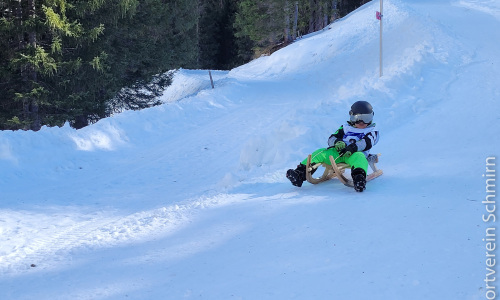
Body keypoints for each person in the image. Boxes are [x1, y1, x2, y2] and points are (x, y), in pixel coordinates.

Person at [286, 101, 379, 192]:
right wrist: (337, 142)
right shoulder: (345, 128)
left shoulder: (372, 131)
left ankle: (359, 179)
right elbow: (331, 138)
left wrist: (353, 148)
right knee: (321, 152)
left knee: (360, 158)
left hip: (355, 154)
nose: (361, 122)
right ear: (352, 116)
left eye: (366, 118)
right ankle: (299, 173)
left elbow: (367, 142)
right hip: (337, 152)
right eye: (358, 118)